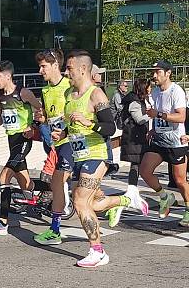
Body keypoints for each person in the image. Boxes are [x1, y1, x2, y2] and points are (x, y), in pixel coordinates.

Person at [51, 50, 148, 267]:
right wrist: (64, 134)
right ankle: (125, 200)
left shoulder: (96, 95)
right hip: (78, 155)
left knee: (79, 200)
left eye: (70, 68)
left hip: (97, 154)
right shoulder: (69, 95)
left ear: (83, 69)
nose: (67, 73)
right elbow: (72, 125)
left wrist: (89, 123)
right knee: (91, 204)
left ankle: (98, 251)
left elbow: (109, 128)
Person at [0, 60, 42, 235]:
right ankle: (56, 191)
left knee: (3, 178)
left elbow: (41, 110)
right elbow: (0, 117)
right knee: (27, 184)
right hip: (12, 142)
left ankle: (2, 223)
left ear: (8, 76)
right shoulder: (1, 95)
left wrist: (33, 127)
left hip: (23, 141)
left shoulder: (23, 93)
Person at [140, 60, 189, 227]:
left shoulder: (177, 91)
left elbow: (181, 117)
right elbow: (155, 115)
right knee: (145, 171)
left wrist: (159, 115)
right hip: (159, 140)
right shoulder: (154, 92)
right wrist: (154, 129)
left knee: (180, 180)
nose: (154, 75)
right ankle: (164, 197)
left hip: (176, 142)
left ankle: (188, 208)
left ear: (168, 73)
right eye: (153, 72)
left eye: (158, 72)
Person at [32, 48, 73, 245]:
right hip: (60, 145)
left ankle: (123, 200)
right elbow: (50, 117)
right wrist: (42, 120)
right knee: (57, 184)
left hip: (76, 143)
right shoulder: (46, 90)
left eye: (43, 66)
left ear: (55, 64)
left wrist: (66, 129)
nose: (40, 71)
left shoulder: (69, 86)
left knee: (85, 195)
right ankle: (55, 229)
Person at [105, 78, 151, 227]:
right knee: (137, 164)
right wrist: (153, 115)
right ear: (144, 88)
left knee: (137, 165)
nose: (151, 89)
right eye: (149, 87)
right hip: (134, 138)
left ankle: (133, 190)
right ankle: (131, 191)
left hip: (135, 138)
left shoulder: (136, 99)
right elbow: (139, 119)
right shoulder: (134, 102)